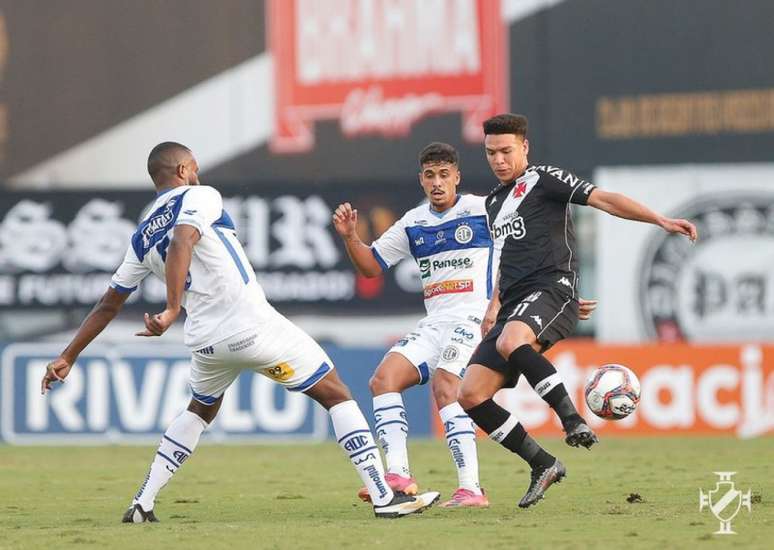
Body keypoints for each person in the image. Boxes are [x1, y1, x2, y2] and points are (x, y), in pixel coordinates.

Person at [40, 142, 439, 522]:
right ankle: (384, 496)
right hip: (249, 325)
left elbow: (108, 302)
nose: (197, 173)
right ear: (183, 170)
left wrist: (68, 355)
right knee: (335, 392)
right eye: (193, 167)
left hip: (207, 343)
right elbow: (183, 238)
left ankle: (143, 501)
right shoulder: (199, 197)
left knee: (199, 409)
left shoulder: (141, 236)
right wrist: (172, 307)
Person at [332, 142, 597, 508]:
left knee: (448, 385)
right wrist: (350, 238)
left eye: (444, 175)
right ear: (421, 180)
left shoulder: (483, 209)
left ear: (456, 176)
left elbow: (525, 250)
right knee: (383, 380)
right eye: (430, 176)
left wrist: (552, 293)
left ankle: (471, 488)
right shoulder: (413, 222)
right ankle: (398, 475)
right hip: (435, 321)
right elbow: (371, 266)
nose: (437, 183)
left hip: (476, 316)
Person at [457, 114, 698, 508]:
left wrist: (660, 220)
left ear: (524, 148)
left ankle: (571, 419)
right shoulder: (494, 202)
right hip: (517, 305)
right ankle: (543, 463)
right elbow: (507, 258)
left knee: (512, 339)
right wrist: (495, 303)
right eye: (490, 153)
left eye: (506, 151)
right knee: (469, 394)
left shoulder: (544, 179)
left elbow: (604, 199)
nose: (498, 160)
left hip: (552, 289)